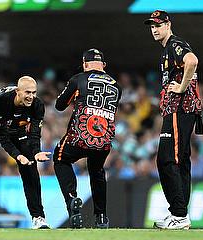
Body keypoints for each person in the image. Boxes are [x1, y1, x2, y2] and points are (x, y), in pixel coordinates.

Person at [144, 10, 203, 229]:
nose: (154, 29)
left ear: (168, 25)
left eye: (158, 25)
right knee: (180, 161)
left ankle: (178, 214)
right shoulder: (168, 49)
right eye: (152, 26)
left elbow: (192, 61)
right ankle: (180, 215)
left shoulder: (175, 44)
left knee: (167, 160)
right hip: (180, 111)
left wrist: (181, 87)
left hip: (180, 109)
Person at [53, 49, 122, 229]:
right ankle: (101, 217)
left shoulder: (79, 79)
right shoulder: (116, 86)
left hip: (80, 135)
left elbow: (59, 105)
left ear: (84, 64)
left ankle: (71, 200)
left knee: (60, 158)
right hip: (103, 140)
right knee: (97, 171)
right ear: (104, 66)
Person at [0, 76, 51, 229]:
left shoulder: (37, 105)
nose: (31, 97)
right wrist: (18, 156)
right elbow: (3, 137)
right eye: (27, 92)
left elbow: (34, 135)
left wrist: (36, 152)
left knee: (30, 167)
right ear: (17, 91)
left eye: (34, 93)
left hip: (14, 126)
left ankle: (38, 217)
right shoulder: (1, 102)